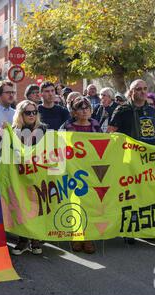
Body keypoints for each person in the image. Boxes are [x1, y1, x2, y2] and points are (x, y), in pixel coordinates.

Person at [108, 79, 155, 245]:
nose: (142, 92)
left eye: (145, 89)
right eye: (138, 89)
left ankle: (146, 230)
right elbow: (111, 134)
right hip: (128, 161)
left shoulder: (151, 110)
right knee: (129, 196)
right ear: (131, 92)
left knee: (146, 195)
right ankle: (129, 230)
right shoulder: (122, 110)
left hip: (148, 160)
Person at [60, 96, 101, 254]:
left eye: (87, 107)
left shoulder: (96, 125)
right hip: (73, 170)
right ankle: (77, 236)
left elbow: (103, 145)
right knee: (74, 203)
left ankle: (88, 237)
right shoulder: (68, 126)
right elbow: (60, 147)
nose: (85, 110)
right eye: (81, 108)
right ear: (74, 112)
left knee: (90, 204)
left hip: (91, 170)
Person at [9, 100, 47, 256]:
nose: (32, 115)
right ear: (20, 114)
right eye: (28, 112)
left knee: (37, 206)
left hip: (39, 173)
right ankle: (23, 239)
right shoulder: (13, 131)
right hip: (19, 174)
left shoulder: (44, 129)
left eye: (34, 112)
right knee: (21, 206)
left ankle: (36, 239)